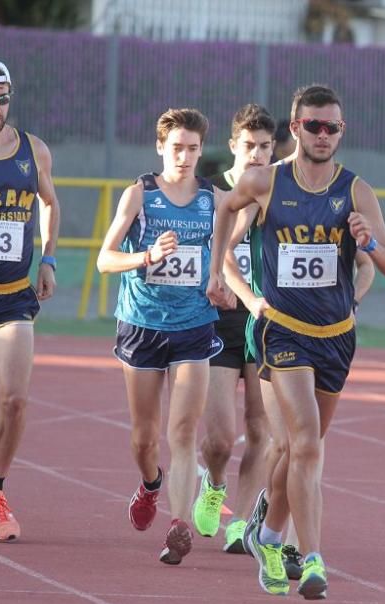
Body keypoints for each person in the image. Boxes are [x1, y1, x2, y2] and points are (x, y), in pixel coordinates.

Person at [208, 84, 385, 598]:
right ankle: (311, 558)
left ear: (341, 132)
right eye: (313, 125)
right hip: (282, 331)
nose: (322, 135)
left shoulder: (356, 191)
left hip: (336, 337)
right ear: (295, 128)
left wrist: (369, 242)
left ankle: (265, 534)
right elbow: (225, 214)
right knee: (306, 443)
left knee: (296, 449)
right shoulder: (265, 182)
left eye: (331, 127)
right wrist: (230, 282)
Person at [97, 108, 223, 564]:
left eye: (193, 148)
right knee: (144, 439)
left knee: (184, 430)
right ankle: (151, 484)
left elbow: (235, 242)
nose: (185, 157)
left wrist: (223, 283)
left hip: (193, 325)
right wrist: (146, 255)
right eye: (177, 148)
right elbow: (104, 260)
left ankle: (179, 524)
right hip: (143, 325)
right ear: (160, 148)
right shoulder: (139, 195)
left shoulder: (214, 199)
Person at [0, 58, 60, 542]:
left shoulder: (32, 150)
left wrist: (48, 259)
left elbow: (50, 202)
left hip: (12, 294)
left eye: (4, 98)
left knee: (15, 400)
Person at [191, 104, 274, 554]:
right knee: (221, 437)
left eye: (265, 147)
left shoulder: (283, 193)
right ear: (232, 148)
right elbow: (224, 246)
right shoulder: (213, 194)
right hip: (221, 319)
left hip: (265, 323)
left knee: (261, 428)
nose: (257, 154)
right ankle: (215, 481)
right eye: (249, 146)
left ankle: (241, 523)